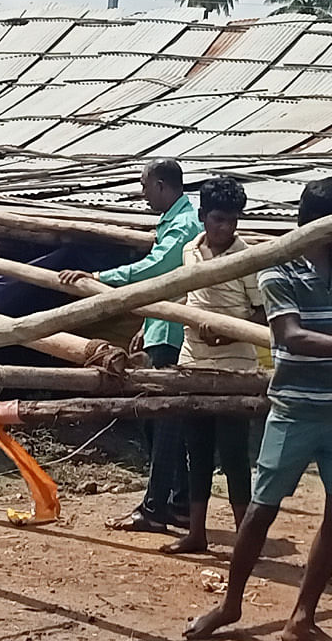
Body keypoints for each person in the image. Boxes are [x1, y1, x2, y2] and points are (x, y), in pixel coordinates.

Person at [185, 176, 332, 641]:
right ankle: (230, 603)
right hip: (294, 410)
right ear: (328, 220)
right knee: (261, 510)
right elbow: (290, 335)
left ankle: (301, 616)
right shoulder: (277, 266)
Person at [60, 158, 203, 533]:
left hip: (173, 333)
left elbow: (157, 269)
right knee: (159, 421)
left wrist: (100, 277)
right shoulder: (177, 220)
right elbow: (168, 281)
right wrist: (146, 321)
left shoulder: (185, 224)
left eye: (144, 185)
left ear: (160, 185)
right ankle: (179, 502)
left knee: (162, 419)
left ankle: (157, 507)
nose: (141, 194)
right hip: (163, 324)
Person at [164, 177, 266, 555]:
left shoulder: (248, 258)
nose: (225, 228)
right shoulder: (190, 249)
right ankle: (197, 532)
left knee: (235, 453)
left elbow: (261, 313)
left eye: (232, 221)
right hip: (193, 362)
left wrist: (225, 335)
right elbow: (181, 294)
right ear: (204, 215)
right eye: (218, 219)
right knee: (197, 450)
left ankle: (245, 538)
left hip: (235, 366)